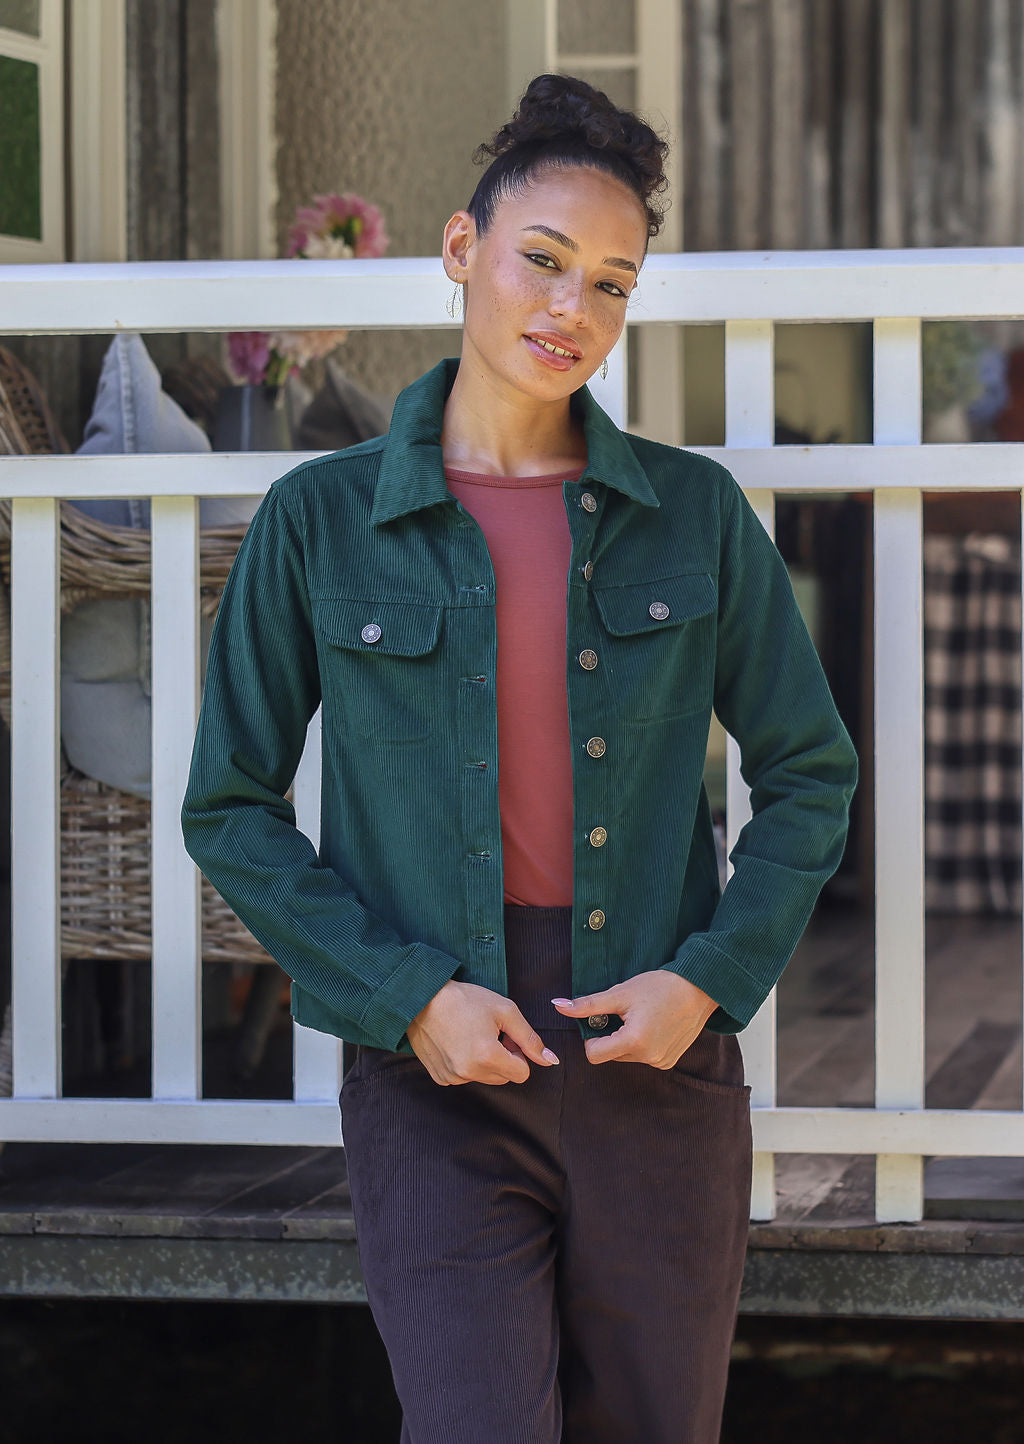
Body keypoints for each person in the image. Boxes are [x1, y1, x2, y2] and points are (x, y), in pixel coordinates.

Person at [181, 74, 858, 1444]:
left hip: (656, 1065)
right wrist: (406, 994)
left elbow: (809, 773)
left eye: (611, 285)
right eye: (543, 262)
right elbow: (230, 808)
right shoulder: (321, 523)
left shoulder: (696, 516)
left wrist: (709, 983)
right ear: (458, 250)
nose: (571, 311)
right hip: (433, 1069)